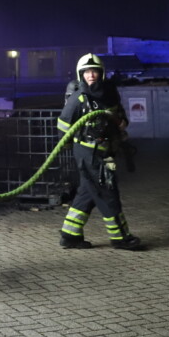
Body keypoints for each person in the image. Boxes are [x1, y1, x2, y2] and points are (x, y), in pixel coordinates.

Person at [57, 53, 145, 250]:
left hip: (105, 150)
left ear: (101, 73)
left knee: (87, 192)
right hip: (89, 153)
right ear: (81, 75)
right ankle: (121, 238)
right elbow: (62, 127)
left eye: (94, 71)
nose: (91, 75)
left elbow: (120, 116)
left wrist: (121, 124)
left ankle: (70, 235)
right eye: (86, 72)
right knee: (108, 193)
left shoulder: (109, 94)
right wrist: (73, 146)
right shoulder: (78, 99)